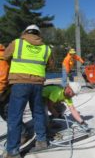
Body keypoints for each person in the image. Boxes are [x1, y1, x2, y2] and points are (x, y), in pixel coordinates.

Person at [2, 25, 54, 158]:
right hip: (37, 84)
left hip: (19, 84)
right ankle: (42, 141)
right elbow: (50, 65)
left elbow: (5, 56)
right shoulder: (46, 48)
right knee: (38, 112)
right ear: (38, 34)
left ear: (25, 32)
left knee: (15, 116)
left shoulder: (17, 43)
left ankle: (13, 151)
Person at [0, 44, 10, 121]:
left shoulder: (3, 55)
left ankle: (21, 130)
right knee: (5, 112)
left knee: (5, 112)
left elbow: (3, 74)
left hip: (3, 90)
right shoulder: (6, 53)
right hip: (4, 89)